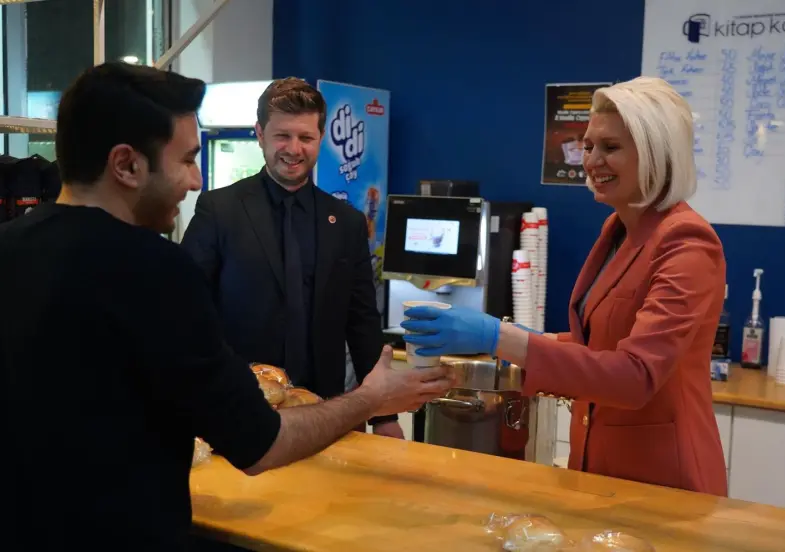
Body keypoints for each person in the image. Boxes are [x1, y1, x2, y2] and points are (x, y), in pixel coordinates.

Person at [1, 62, 452, 549]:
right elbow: (259, 442)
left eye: (306, 136)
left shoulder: (10, 249)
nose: (196, 179)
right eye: (186, 159)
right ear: (127, 165)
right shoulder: (159, 271)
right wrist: (371, 400)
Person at [402, 76, 728, 497]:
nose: (592, 161)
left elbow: (635, 375)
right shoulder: (619, 229)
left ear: (656, 153)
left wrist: (497, 336)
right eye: (588, 146)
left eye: (610, 147)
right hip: (599, 470)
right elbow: (597, 342)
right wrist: (520, 338)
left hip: (664, 480)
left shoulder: (686, 242)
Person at [180, 78, 404, 437]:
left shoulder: (346, 222)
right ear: (260, 134)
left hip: (327, 411)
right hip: (240, 410)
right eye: (282, 136)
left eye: (306, 137)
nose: (294, 149)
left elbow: (362, 321)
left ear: (321, 138)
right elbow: (186, 308)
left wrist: (384, 415)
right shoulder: (219, 210)